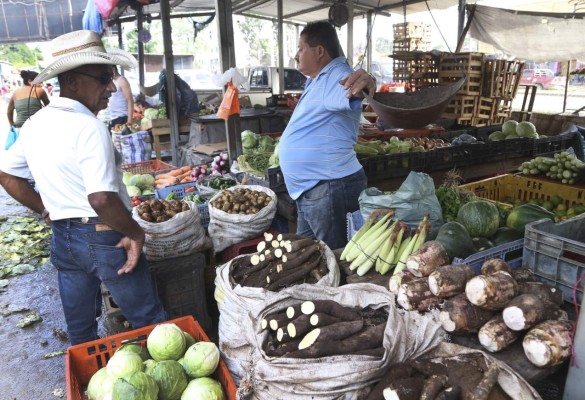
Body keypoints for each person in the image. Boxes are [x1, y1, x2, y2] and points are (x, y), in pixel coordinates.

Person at [0, 30, 167, 345]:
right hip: (104, 237)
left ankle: (89, 384)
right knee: (151, 321)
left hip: (63, 238)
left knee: (81, 333)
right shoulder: (89, 127)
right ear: (73, 82)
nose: (111, 88)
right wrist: (135, 232)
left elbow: (7, 175)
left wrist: (45, 209)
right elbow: (100, 198)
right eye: (104, 78)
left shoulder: (35, 123)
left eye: (112, 77)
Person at [278, 21, 376, 250]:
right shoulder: (320, 78)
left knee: (334, 260)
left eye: (301, 48)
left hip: (329, 189)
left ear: (319, 51)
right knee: (310, 257)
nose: (296, 55)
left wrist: (367, 82)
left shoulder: (337, 76)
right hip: (314, 190)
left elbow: (355, 90)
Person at [108, 65, 134, 130]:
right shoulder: (112, 81)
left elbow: (130, 100)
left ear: (113, 69)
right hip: (113, 117)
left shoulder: (122, 81)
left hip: (122, 117)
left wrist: (129, 121)